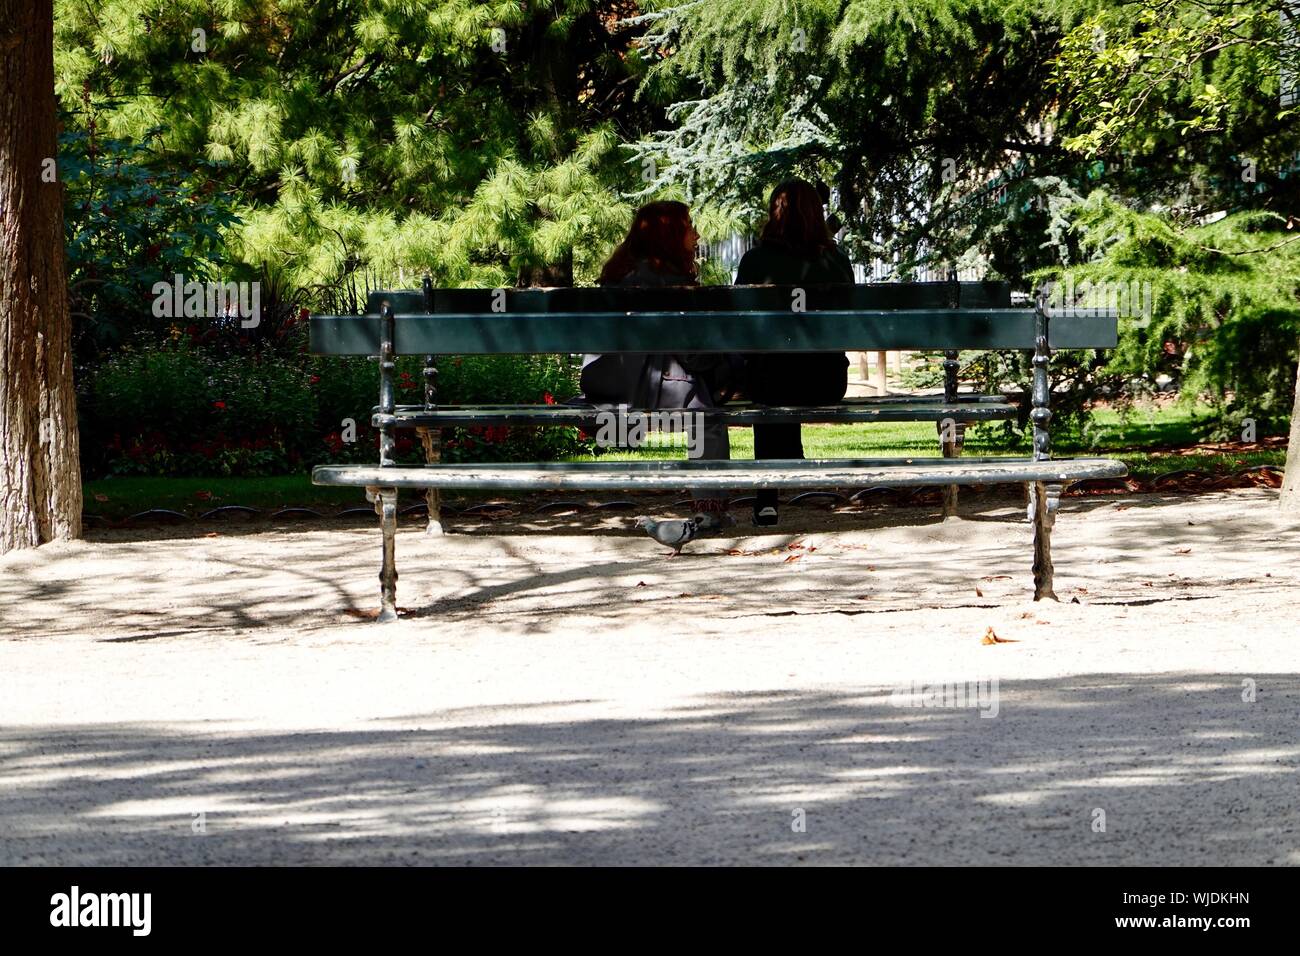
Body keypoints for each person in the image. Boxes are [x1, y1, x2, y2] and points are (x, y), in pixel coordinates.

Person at [582, 201, 737, 524]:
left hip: (606, 379)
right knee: (707, 417)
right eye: (689, 227)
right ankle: (710, 509)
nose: (696, 234)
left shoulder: (617, 274)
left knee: (701, 392)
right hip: (649, 383)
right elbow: (693, 351)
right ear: (670, 235)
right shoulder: (670, 282)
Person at [734, 179, 855, 526]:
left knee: (771, 379)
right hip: (827, 381)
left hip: (770, 382)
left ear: (775, 214)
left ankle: (767, 498)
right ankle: (790, 458)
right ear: (817, 216)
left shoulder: (756, 261)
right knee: (787, 370)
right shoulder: (836, 261)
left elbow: (741, 326)